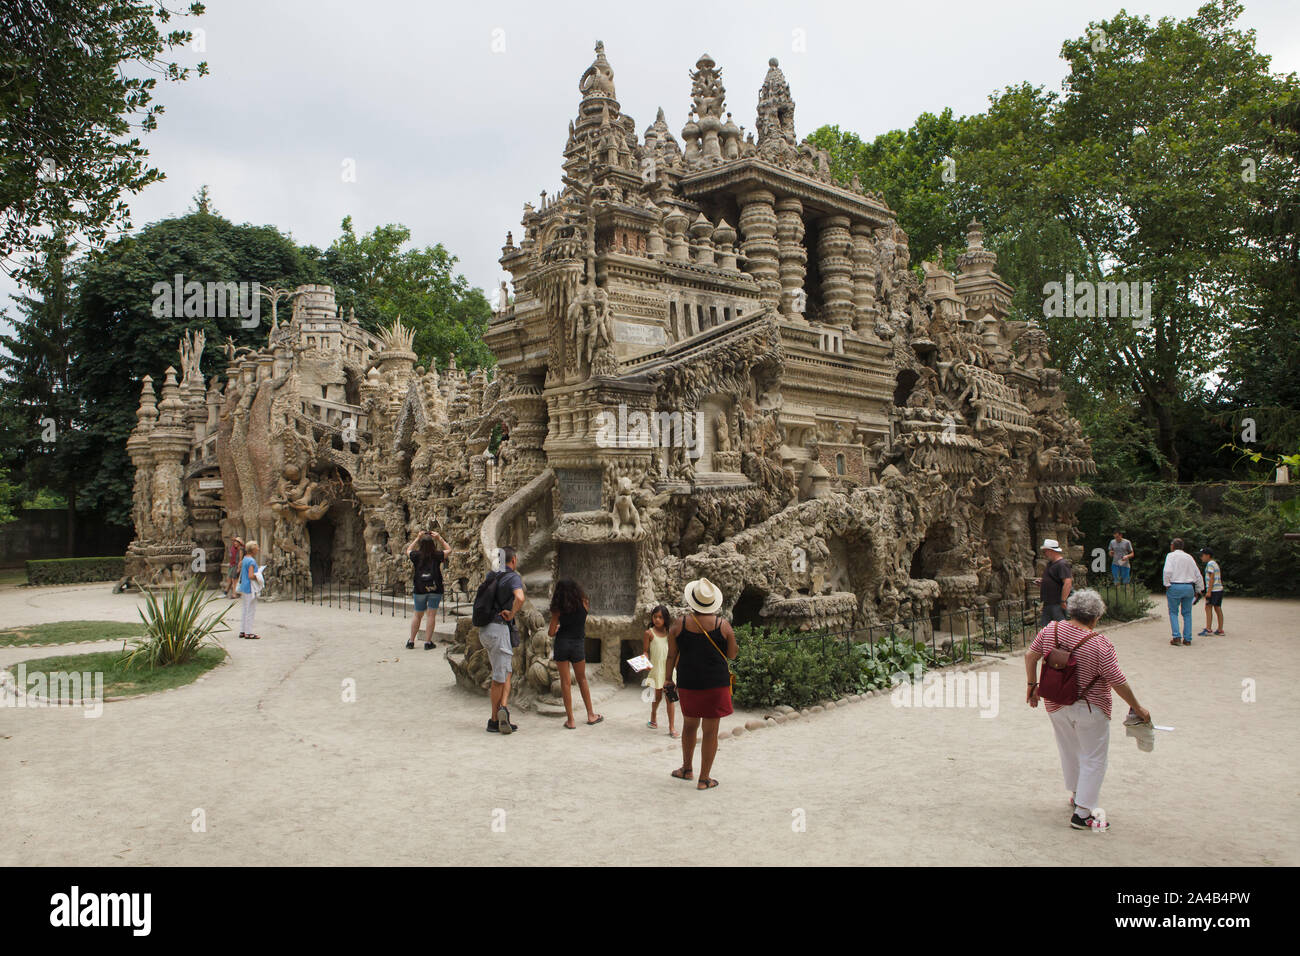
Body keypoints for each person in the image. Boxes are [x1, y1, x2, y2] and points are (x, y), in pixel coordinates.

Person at [1025, 588, 1151, 831]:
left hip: (1055, 703)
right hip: (1090, 707)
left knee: (1069, 750)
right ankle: (1083, 814)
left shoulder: (1051, 629)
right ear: (1095, 617)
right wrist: (1137, 706)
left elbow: (1030, 656)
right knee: (1094, 757)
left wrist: (1032, 686)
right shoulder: (1099, 643)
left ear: (1070, 610)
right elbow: (1116, 680)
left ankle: (1076, 795)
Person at [663, 578, 737, 791]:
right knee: (711, 731)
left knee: (689, 726)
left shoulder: (679, 624)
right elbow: (732, 654)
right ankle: (704, 779)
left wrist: (668, 679)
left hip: (689, 682)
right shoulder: (723, 625)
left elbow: (671, 655)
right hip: (716, 683)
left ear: (693, 601)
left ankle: (686, 769)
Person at [547, 579, 602, 729]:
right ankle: (591, 715)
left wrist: (558, 628)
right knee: (582, 679)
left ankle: (570, 720)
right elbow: (580, 621)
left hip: (562, 644)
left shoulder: (558, 609)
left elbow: (551, 632)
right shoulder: (584, 602)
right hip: (578, 644)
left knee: (565, 682)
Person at [482, 547, 525, 735]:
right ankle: (494, 719)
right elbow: (520, 597)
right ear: (513, 560)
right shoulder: (513, 577)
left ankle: (503, 709)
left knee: (505, 670)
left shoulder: (491, 575)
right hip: (499, 628)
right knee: (499, 678)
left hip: (485, 630)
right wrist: (512, 613)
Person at [404, 523, 452, 650]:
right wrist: (439, 538)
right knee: (431, 615)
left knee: (417, 615)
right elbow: (449, 550)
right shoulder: (437, 555)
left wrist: (417, 538)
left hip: (419, 588)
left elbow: (407, 550)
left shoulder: (416, 555)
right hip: (435, 588)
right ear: (433, 545)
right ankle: (427, 642)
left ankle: (411, 641)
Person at [643, 605, 678, 738]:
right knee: (657, 698)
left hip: (669, 671)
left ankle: (671, 727)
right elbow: (646, 651)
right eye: (655, 617)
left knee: (670, 699)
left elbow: (676, 651)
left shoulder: (671, 633)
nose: (657, 619)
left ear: (665, 619)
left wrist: (676, 665)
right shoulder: (649, 633)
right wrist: (645, 661)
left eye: (660, 617)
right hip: (657, 670)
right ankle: (653, 716)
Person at [1162, 537, 1204, 646]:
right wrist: (1199, 589)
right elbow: (1197, 574)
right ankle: (1188, 638)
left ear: (1172, 546)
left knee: (1173, 612)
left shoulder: (1170, 556)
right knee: (1187, 613)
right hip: (1189, 587)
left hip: (1175, 586)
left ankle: (1176, 637)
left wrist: (1167, 584)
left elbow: (1167, 571)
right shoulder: (1189, 557)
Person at [1035, 539, 1073, 626]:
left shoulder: (1062, 564)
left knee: (1061, 628)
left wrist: (1063, 601)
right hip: (1048, 602)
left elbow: (1067, 583)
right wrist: (1043, 582)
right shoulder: (1050, 564)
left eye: (1045, 551)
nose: (1044, 554)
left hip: (1057, 603)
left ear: (1051, 551)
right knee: (1047, 629)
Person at [237, 540, 262, 640]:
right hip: (250, 587)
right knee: (250, 610)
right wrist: (259, 576)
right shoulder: (251, 561)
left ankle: (243, 630)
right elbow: (251, 575)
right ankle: (249, 632)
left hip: (244, 586)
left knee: (245, 609)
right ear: (253, 550)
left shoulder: (245, 559)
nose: (258, 549)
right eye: (257, 548)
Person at [1198, 546, 1225, 636]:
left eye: (1202, 555)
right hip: (1219, 589)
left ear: (1208, 555)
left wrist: (1208, 591)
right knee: (1217, 608)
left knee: (1208, 607)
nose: (1201, 557)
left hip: (1213, 590)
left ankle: (1208, 629)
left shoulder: (1210, 564)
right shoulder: (1215, 563)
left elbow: (1211, 578)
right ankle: (1220, 629)